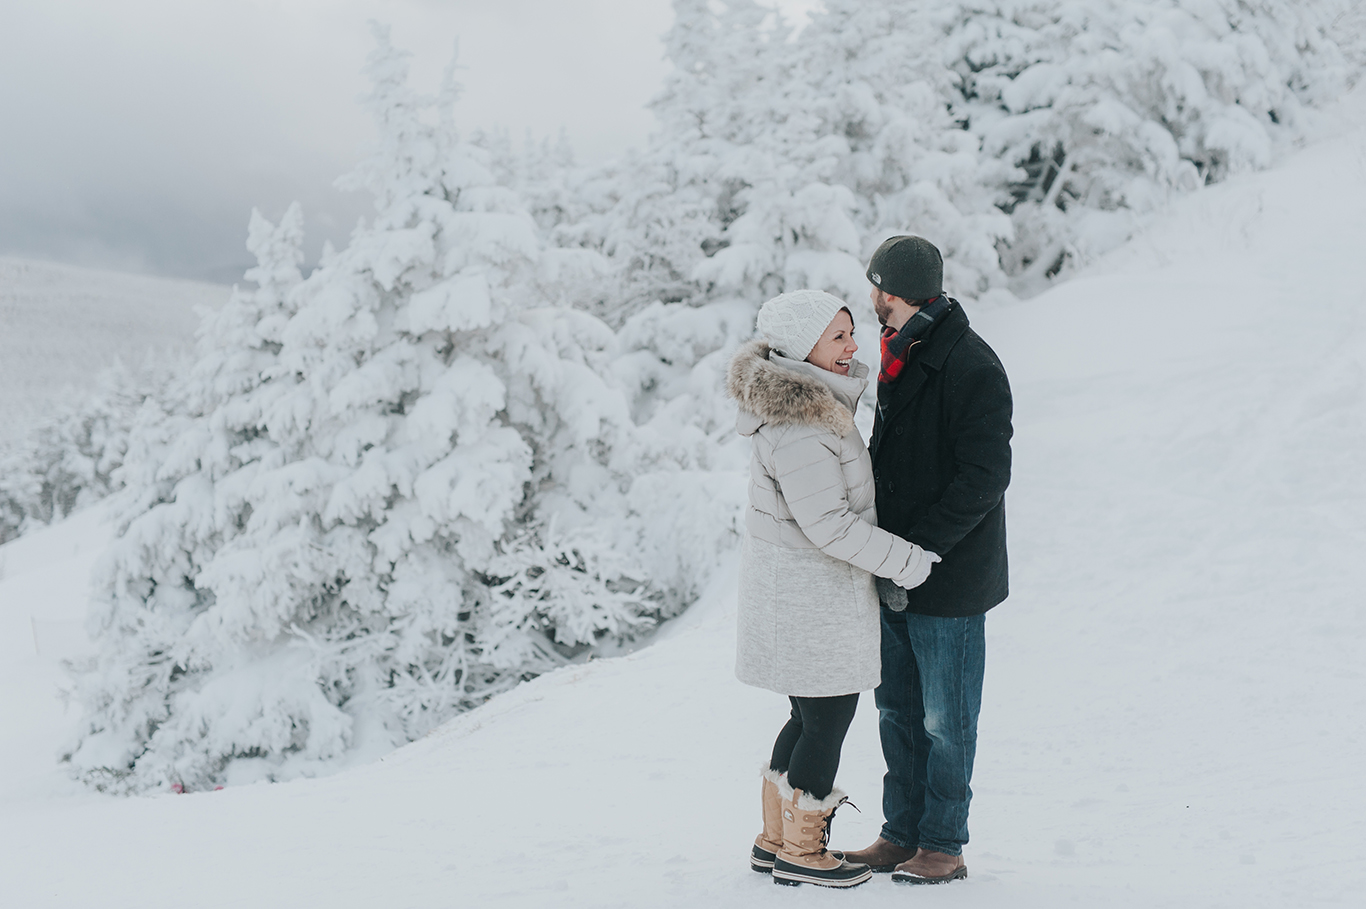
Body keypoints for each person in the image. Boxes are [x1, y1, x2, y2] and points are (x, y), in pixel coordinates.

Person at [726, 289, 940, 889]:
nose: (853, 347)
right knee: (827, 716)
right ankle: (803, 850)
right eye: (838, 337)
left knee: (806, 714)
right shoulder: (801, 424)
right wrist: (906, 561)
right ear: (801, 349)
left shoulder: (809, 405)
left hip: (800, 592)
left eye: (851, 332)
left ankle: (777, 839)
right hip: (809, 597)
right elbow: (829, 525)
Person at [838, 236, 1013, 884]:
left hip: (947, 577)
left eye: (879, 288)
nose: (873, 299)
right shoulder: (898, 356)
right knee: (897, 713)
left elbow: (986, 475)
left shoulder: (970, 365)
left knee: (946, 720)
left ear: (901, 291)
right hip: (892, 570)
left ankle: (942, 841)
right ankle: (900, 832)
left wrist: (919, 550)